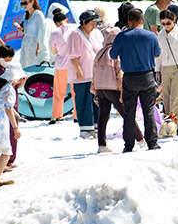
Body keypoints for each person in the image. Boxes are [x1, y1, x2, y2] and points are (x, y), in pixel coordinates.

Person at [109, 9, 161, 152]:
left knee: (129, 113)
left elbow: (112, 55)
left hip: (130, 78)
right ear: (142, 21)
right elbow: (157, 54)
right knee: (148, 111)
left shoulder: (121, 36)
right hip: (147, 77)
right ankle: (152, 143)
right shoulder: (151, 36)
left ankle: (129, 145)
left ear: (129, 21)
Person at [92, 25, 146, 152]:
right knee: (127, 114)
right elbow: (120, 74)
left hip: (100, 88)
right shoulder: (116, 52)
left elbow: (94, 73)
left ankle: (102, 145)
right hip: (113, 88)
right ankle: (141, 139)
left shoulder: (100, 53)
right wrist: (122, 91)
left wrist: (94, 90)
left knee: (102, 117)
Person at [65, 10, 104, 139]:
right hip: (83, 74)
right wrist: (78, 70)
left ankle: (96, 126)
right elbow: (73, 55)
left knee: (96, 101)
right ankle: (86, 129)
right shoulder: (75, 35)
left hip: (95, 74)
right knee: (84, 100)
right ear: (84, 22)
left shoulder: (95, 34)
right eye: (91, 23)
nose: (93, 26)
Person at [158, 8, 178, 122]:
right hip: (164, 68)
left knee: (176, 97)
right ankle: (167, 121)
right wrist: (157, 71)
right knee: (166, 97)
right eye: (163, 23)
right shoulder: (160, 35)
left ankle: (175, 123)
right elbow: (158, 55)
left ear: (174, 20)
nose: (166, 26)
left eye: (168, 23)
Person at [47, 11, 75, 124]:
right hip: (74, 64)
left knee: (59, 91)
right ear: (66, 19)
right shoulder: (74, 29)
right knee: (75, 91)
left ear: (55, 22)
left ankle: (56, 115)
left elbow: (53, 51)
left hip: (61, 64)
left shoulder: (55, 32)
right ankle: (77, 115)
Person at [16, 0, 50, 67]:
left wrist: (39, 47)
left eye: (25, 3)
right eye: (22, 3)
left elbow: (42, 32)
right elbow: (29, 31)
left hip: (34, 45)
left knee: (33, 67)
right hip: (26, 45)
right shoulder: (26, 15)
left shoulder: (38, 14)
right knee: (25, 67)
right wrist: (22, 30)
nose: (24, 5)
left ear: (32, 2)